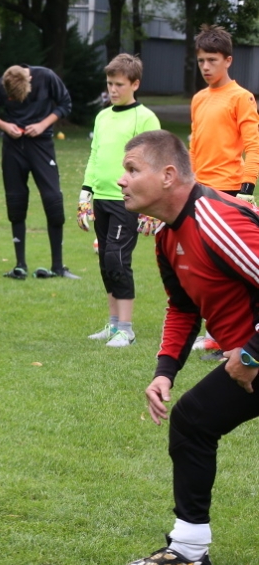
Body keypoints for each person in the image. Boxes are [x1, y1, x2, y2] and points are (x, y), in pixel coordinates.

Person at [121, 129, 259, 565]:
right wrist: (165, 372)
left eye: (131, 170)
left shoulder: (218, 220)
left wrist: (252, 352)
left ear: (166, 176)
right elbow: (182, 308)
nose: (121, 181)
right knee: (193, 419)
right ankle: (188, 550)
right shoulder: (167, 236)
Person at [77, 53, 160, 348]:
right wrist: (85, 193)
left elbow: (153, 164)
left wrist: (152, 206)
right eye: (110, 83)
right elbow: (95, 155)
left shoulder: (145, 118)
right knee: (105, 261)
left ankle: (126, 329)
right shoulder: (102, 116)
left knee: (117, 258)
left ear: (134, 84)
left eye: (119, 84)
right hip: (101, 198)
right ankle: (113, 326)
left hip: (129, 201)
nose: (113, 89)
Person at [186, 25, 259, 360]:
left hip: (229, 192)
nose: (205, 66)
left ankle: (235, 338)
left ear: (228, 60)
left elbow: (253, 145)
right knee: (204, 267)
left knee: (231, 268)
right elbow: (194, 146)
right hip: (199, 190)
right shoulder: (199, 98)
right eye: (201, 60)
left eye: (212, 60)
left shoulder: (240, 97)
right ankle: (214, 333)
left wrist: (247, 189)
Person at [0, 64, 76, 280]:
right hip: (13, 148)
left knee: (53, 201)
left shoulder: (47, 77)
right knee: (16, 203)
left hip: (41, 145)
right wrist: (6, 126)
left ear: (30, 82)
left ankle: (58, 266)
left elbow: (65, 104)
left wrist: (43, 124)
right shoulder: (2, 84)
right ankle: (20, 265)